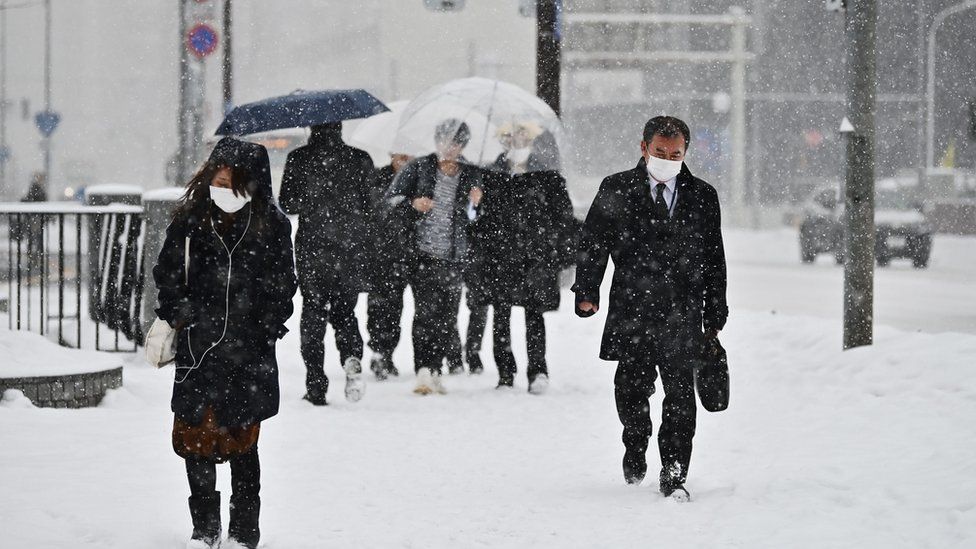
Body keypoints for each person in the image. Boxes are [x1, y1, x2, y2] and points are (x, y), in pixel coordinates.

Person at [573, 116, 727, 501]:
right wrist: (587, 290)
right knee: (631, 388)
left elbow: (714, 257)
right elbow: (594, 242)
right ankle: (635, 442)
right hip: (633, 307)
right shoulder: (617, 188)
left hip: (683, 310)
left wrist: (715, 310)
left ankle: (674, 471)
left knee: (680, 396)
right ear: (644, 148)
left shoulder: (703, 195)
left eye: (676, 154)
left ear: (685, 153)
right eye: (660, 152)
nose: (668, 159)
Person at [153, 137, 298, 548]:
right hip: (199, 349)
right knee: (195, 441)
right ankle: (204, 529)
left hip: (248, 353)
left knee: (242, 443)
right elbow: (167, 274)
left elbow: (283, 285)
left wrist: (266, 325)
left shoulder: (271, 223)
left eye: (232, 183)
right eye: (217, 180)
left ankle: (244, 531)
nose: (223, 190)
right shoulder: (189, 220)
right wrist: (181, 312)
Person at [469, 125, 576, 392]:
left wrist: (556, 250)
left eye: (522, 136)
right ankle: (505, 373)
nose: (516, 141)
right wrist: (477, 203)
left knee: (534, 314)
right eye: (510, 137)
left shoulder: (548, 175)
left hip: (535, 256)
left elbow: (563, 216)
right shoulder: (491, 175)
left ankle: (538, 371)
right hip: (500, 255)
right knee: (501, 314)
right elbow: (478, 221)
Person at [383, 119, 483, 395]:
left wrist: (476, 205)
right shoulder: (419, 167)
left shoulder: (472, 174)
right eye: (445, 141)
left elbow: (478, 220)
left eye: (456, 143)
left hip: (455, 256)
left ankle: (436, 368)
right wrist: (413, 204)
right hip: (422, 254)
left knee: (448, 316)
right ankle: (424, 370)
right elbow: (390, 201)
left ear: (463, 145)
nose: (449, 148)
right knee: (425, 313)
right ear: (436, 141)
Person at [279, 122, 374, 405]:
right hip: (349, 249)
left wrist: (312, 198)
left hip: (313, 249)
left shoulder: (299, 158)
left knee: (313, 312)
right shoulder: (360, 158)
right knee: (346, 311)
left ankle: (316, 384)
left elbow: (287, 203)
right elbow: (371, 206)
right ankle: (351, 355)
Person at [365, 152, 412, 380]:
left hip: (404, 252)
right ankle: (377, 350)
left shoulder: (417, 177)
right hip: (378, 251)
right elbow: (372, 209)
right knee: (377, 305)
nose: (403, 159)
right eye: (399, 154)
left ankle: (388, 352)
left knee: (395, 306)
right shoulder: (378, 177)